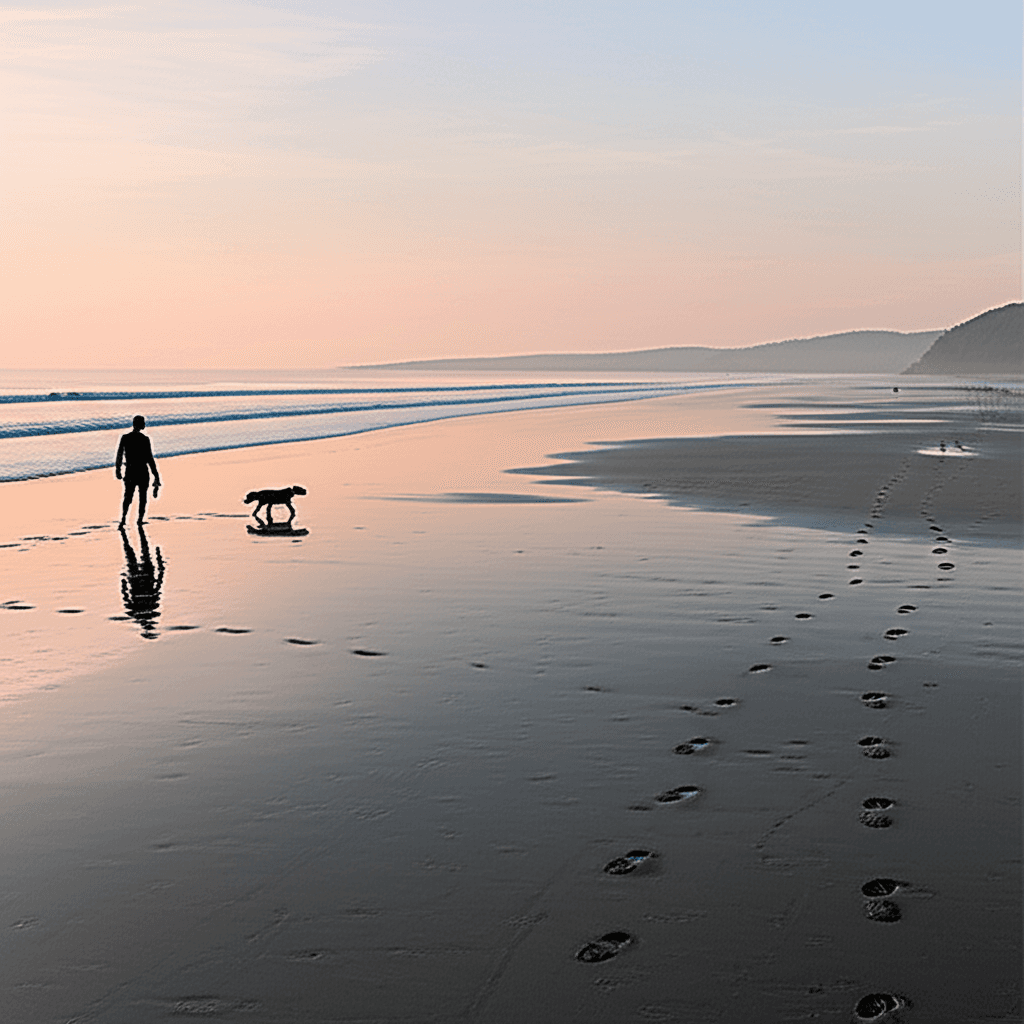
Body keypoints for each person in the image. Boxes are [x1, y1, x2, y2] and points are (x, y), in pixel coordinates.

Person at [116, 415, 161, 526]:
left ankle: (123, 519)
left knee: (128, 497)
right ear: (141, 425)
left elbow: (119, 455)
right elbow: (150, 459)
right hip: (142, 472)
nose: (145, 424)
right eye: (143, 423)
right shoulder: (145, 439)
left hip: (130, 471)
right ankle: (139, 520)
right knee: (143, 498)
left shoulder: (125, 438)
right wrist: (156, 475)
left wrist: (118, 469)